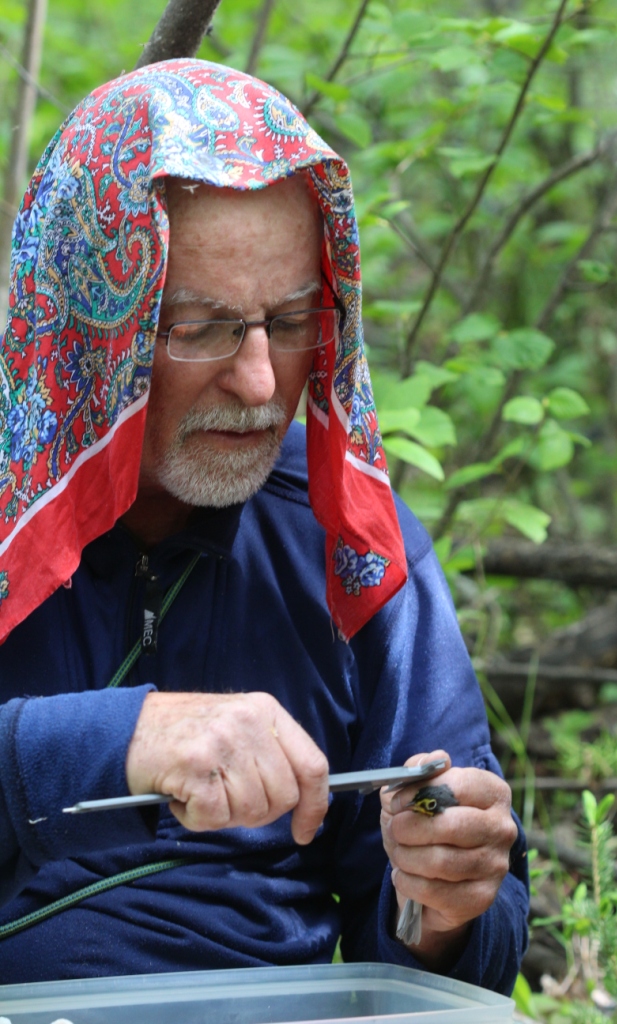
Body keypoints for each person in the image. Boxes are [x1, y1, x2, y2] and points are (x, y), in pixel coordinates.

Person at [0, 59, 528, 990]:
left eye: (289, 323)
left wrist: (440, 906)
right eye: (200, 328)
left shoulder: (351, 544)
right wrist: (119, 739)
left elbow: (442, 960)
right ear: (92, 324)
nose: (257, 384)